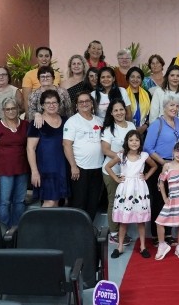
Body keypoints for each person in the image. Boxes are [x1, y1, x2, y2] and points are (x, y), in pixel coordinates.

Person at [105, 130, 158, 259]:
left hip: (139, 188)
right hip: (125, 189)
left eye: (137, 140)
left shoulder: (144, 155)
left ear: (140, 142)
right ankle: (120, 246)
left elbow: (154, 166)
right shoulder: (122, 155)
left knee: (140, 221)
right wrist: (117, 179)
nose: (134, 142)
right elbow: (108, 167)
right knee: (124, 220)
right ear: (126, 142)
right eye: (131, 140)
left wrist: (146, 176)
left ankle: (143, 246)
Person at [144, 95, 179, 245]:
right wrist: (163, 163)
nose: (174, 108)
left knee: (171, 201)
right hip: (160, 166)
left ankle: (168, 234)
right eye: (171, 106)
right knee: (160, 201)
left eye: (177, 106)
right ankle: (156, 235)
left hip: (175, 166)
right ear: (165, 107)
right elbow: (148, 147)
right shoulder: (157, 124)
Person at [0, 97, 29, 228]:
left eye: (13, 108)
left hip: (22, 169)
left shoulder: (25, 125)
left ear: (17, 109)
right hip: (4, 170)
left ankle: (16, 230)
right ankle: (4, 230)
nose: (11, 111)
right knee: (4, 201)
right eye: (8, 109)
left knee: (20, 201)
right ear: (3, 111)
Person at [63, 91, 104, 221]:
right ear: (76, 106)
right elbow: (66, 145)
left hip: (98, 168)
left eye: (87, 101)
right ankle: (76, 233)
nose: (84, 104)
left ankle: (87, 231)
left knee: (93, 203)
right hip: (80, 168)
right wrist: (73, 166)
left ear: (92, 104)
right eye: (81, 102)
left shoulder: (99, 120)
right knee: (78, 203)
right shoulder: (72, 122)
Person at [101, 99, 136, 245]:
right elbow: (105, 149)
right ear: (111, 113)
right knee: (113, 201)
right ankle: (114, 233)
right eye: (115, 110)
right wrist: (121, 157)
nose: (119, 112)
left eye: (121, 109)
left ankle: (123, 231)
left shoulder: (131, 125)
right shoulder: (109, 129)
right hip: (112, 171)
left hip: (128, 173)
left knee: (125, 202)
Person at [27, 90, 69, 207]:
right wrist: (34, 171)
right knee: (49, 202)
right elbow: (30, 148)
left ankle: (54, 226)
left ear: (59, 104)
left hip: (63, 168)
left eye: (55, 102)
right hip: (46, 169)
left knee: (60, 201)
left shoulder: (66, 121)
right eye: (48, 103)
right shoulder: (37, 123)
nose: (52, 105)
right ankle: (41, 225)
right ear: (42, 105)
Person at [22, 46, 58, 110]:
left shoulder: (56, 74)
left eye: (47, 56)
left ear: (50, 58)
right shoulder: (29, 75)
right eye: (41, 56)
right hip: (36, 112)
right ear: (37, 58)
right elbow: (26, 99)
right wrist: (29, 116)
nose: (44, 59)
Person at [125, 66, 151, 135]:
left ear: (141, 80)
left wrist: (145, 126)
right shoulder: (123, 94)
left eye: (138, 77)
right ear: (128, 78)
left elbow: (152, 113)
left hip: (144, 131)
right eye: (132, 77)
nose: (135, 79)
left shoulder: (147, 94)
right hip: (126, 131)